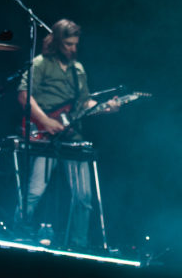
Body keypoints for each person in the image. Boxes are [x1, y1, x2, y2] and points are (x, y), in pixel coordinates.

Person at [17, 18, 118, 250]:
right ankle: (18, 234)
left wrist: (105, 107)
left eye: (75, 44)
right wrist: (45, 121)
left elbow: (84, 104)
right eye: (68, 44)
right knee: (33, 192)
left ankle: (78, 245)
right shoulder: (41, 64)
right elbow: (24, 95)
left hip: (71, 138)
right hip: (43, 134)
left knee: (84, 197)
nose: (73, 49)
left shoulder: (78, 70)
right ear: (56, 42)